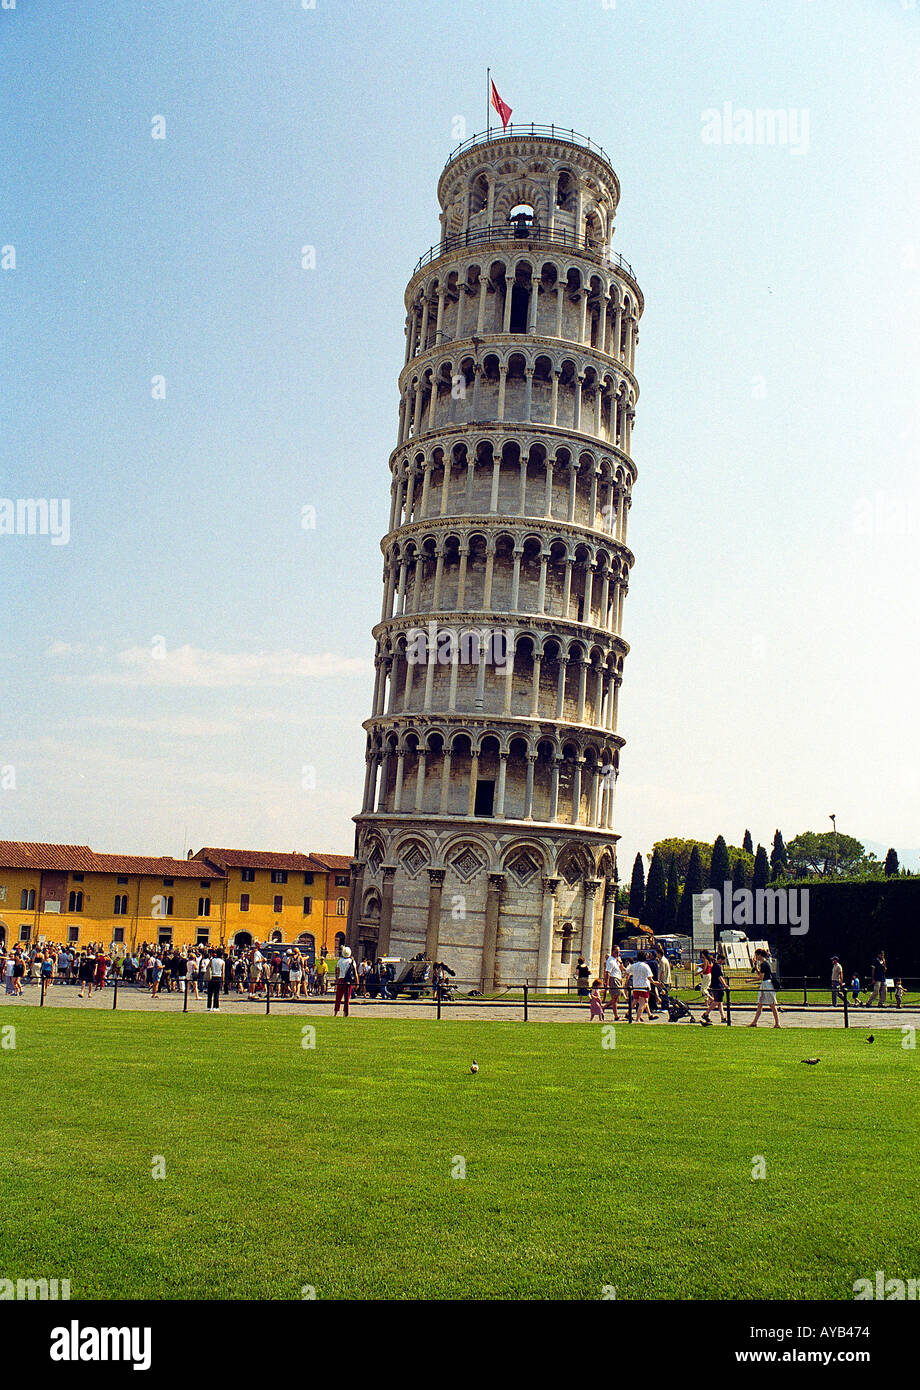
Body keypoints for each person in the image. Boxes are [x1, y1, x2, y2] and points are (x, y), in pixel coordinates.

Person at [748, 948, 780, 1028]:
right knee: (760, 1004)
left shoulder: (763, 964)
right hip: (765, 984)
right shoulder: (764, 963)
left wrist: (750, 980)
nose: (756, 957)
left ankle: (777, 1023)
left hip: (766, 984)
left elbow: (761, 977)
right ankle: (754, 1022)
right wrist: (755, 967)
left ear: (759, 955)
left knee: (772, 1005)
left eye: (756, 955)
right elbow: (761, 974)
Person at [626, 951, 654, 1023]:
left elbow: (627, 971)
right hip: (643, 986)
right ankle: (638, 1018)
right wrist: (654, 982)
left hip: (636, 986)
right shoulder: (645, 966)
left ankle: (629, 1013)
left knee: (636, 1001)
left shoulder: (634, 965)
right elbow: (649, 977)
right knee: (643, 1003)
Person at [703, 952, 728, 1024]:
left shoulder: (714, 966)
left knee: (720, 1002)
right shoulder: (717, 966)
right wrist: (725, 985)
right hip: (717, 986)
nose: (723, 962)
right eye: (723, 960)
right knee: (716, 1001)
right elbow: (720, 977)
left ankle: (723, 1017)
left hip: (714, 985)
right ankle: (706, 1014)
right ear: (720, 959)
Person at [334, 946, 357, 1016]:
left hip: (341, 980)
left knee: (338, 997)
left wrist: (336, 981)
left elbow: (337, 972)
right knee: (347, 998)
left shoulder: (339, 961)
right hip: (348, 981)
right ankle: (345, 1012)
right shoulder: (351, 961)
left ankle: (335, 1012)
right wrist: (357, 982)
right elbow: (355, 972)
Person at [603, 946, 623, 1020]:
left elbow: (621, 968)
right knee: (614, 998)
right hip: (613, 979)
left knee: (617, 999)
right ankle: (616, 1016)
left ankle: (604, 1007)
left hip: (617, 978)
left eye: (619, 952)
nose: (618, 953)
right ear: (612, 952)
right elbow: (608, 972)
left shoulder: (616, 960)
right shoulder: (610, 961)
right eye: (616, 952)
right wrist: (607, 983)